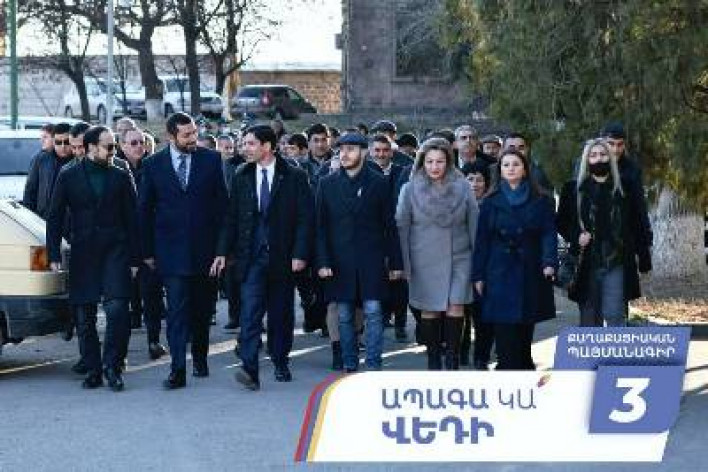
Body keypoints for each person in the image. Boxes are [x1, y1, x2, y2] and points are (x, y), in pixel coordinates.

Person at [211, 125, 313, 391]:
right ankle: (250, 369)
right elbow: (231, 217)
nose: (245, 148)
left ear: (267, 146)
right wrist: (222, 252)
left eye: (250, 144)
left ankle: (280, 361)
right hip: (251, 257)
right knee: (250, 313)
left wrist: (300, 254)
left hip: (283, 257)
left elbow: (305, 219)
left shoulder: (294, 176)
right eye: (244, 143)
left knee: (281, 314)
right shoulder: (242, 175)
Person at [46, 125, 139, 391]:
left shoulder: (120, 176)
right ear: (91, 148)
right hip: (84, 252)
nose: (113, 151)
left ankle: (113, 366)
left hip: (115, 251)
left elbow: (133, 219)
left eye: (114, 147)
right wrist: (53, 253)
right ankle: (93, 368)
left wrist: (136, 258)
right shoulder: (68, 175)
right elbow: (55, 216)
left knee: (118, 309)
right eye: (108, 147)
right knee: (84, 315)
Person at [139, 112, 228, 389]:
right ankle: (177, 369)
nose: (193, 139)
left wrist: (222, 251)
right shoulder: (153, 164)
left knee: (201, 312)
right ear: (171, 136)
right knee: (176, 313)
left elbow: (223, 210)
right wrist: (146, 251)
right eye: (187, 135)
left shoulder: (211, 160)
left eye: (194, 133)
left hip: (205, 253)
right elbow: (144, 210)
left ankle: (200, 359)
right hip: (170, 253)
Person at [315, 133, 403, 372]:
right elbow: (320, 227)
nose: (344, 154)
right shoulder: (327, 183)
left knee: (373, 311)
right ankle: (349, 362)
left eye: (351, 149)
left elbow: (390, 226)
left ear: (364, 152)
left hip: (371, 259)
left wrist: (396, 263)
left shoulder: (380, 183)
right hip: (339, 260)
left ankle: (374, 363)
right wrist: (322, 261)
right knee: (343, 314)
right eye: (341, 149)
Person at [396, 138, 479, 370]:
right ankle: (433, 359)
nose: (435, 166)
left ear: (448, 161)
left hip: (460, 256)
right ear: (422, 162)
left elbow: (474, 224)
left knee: (456, 305)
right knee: (430, 309)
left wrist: (479, 264)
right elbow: (402, 227)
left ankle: (452, 360)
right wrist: (403, 264)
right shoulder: (409, 189)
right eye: (430, 161)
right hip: (423, 259)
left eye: (440, 161)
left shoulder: (463, 187)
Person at [472, 149, 557, 370]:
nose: (511, 168)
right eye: (506, 165)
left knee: (524, 328)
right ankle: (508, 370)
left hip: (529, 268)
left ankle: (524, 369)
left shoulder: (541, 200)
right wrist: (478, 275)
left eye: (516, 164)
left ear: (525, 169)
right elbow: (482, 241)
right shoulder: (491, 201)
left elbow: (548, 233)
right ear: (500, 170)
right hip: (498, 271)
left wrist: (549, 262)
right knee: (504, 330)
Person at [557, 138, 652, 327]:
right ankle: (591, 348)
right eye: (593, 155)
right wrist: (576, 236)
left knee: (614, 313)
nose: (598, 159)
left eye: (603, 154)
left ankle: (616, 347)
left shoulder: (626, 187)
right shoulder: (573, 189)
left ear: (610, 158)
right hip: (586, 261)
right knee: (589, 315)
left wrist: (644, 258)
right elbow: (561, 222)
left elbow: (638, 223)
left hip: (617, 260)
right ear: (587, 159)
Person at [120, 127, 167, 359]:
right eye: (134, 143)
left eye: (142, 142)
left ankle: (153, 341)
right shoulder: (117, 170)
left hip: (150, 242)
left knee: (152, 296)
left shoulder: (153, 168)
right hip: (124, 244)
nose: (140, 146)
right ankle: (119, 350)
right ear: (123, 146)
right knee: (122, 299)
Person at [370, 134, 408, 341]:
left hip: (398, 232)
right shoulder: (365, 172)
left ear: (392, 152)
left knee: (399, 281)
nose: (381, 154)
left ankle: (400, 323)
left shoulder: (402, 172)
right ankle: (383, 317)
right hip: (373, 234)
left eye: (385, 150)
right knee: (378, 277)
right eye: (377, 150)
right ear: (370, 151)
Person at [460, 161, 494, 369]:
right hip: (460, 266)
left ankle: (481, 356)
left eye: (479, 180)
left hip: (485, 268)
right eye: (470, 179)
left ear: (486, 183)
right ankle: (461, 351)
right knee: (460, 313)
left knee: (482, 315)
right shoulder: (455, 206)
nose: (474, 184)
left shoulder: (492, 206)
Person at [23, 122, 75, 219]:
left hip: (69, 223)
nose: (63, 146)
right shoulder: (41, 159)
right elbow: (30, 191)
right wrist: (30, 218)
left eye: (66, 142)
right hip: (43, 219)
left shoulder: (78, 162)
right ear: (54, 142)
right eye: (58, 142)